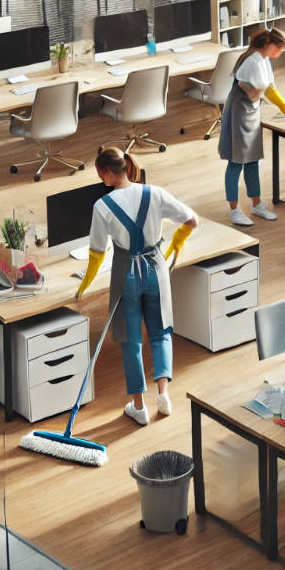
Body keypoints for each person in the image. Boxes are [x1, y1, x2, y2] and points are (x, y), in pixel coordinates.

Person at [76, 147, 198, 425]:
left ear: (106, 172)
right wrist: (176, 244)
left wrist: (83, 286)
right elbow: (192, 220)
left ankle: (139, 406)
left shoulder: (102, 206)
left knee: (130, 340)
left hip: (124, 271)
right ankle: (164, 395)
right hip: (156, 266)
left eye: (100, 175)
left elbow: (96, 252)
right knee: (161, 331)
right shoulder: (154, 192)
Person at [218, 27, 285, 227]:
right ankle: (234, 210)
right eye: (280, 50)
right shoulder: (251, 62)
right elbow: (256, 90)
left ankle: (256, 204)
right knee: (236, 163)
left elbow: (270, 91)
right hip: (239, 113)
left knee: (253, 161)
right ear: (271, 45)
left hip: (253, 112)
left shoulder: (264, 61)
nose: (280, 54)